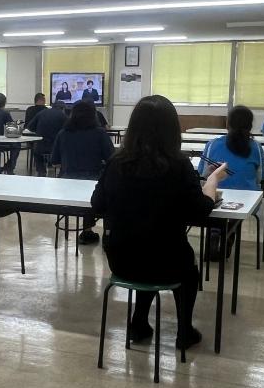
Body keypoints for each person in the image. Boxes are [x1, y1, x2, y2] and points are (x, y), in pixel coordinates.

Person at [91, 95, 229, 350]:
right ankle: (184, 331)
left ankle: (139, 322)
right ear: (172, 129)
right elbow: (200, 212)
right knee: (182, 268)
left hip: (121, 260)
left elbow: (97, 204)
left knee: (144, 250)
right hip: (167, 261)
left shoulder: (116, 162)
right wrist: (211, 183)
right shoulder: (179, 165)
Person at [51, 101, 114, 243]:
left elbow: (54, 161)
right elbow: (111, 159)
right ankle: (92, 231)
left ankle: (85, 230)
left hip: (66, 183)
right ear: (93, 115)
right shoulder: (100, 133)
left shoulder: (63, 133)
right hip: (93, 181)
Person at [198, 106, 264, 191]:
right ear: (250, 126)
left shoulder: (211, 144)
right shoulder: (257, 147)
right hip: (249, 196)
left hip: (217, 195)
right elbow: (260, 178)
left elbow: (203, 173)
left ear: (227, 124)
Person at [29, 100, 67, 176]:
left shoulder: (41, 113)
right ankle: (61, 174)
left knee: (37, 151)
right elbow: (67, 131)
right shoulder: (63, 116)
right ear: (63, 109)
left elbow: (30, 127)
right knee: (66, 151)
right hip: (56, 148)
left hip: (40, 147)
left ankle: (41, 171)